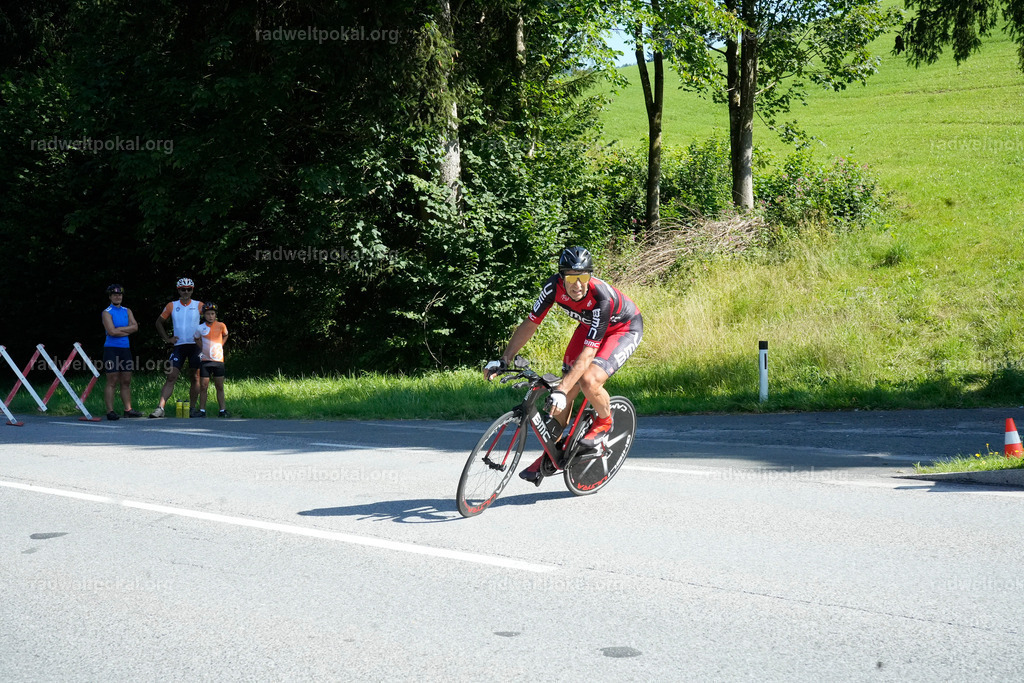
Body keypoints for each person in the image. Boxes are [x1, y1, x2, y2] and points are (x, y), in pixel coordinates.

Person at [484, 246, 643, 485]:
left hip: (623, 329)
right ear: (561, 277)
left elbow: (589, 353)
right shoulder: (553, 288)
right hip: (590, 327)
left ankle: (604, 421)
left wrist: (560, 388)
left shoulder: (601, 297)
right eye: (571, 277)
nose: (577, 284)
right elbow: (530, 323)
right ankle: (552, 452)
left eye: (583, 277)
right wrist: (504, 358)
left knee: (588, 380)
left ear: (590, 277)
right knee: (565, 393)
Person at [149, 278, 204, 418]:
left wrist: (206, 339)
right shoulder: (171, 305)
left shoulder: (199, 305)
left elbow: (211, 321)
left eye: (189, 289)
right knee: (171, 376)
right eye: (183, 289)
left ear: (192, 290)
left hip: (195, 346)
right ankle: (160, 408)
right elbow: (159, 322)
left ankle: (192, 408)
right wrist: (167, 339)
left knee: (195, 377)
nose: (186, 292)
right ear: (178, 290)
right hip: (179, 346)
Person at [100, 284, 142, 420]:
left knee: (126, 380)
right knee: (112, 380)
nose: (118, 296)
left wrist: (120, 330)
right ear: (110, 296)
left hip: (125, 349)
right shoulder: (107, 312)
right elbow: (111, 331)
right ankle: (110, 411)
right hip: (111, 349)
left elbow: (135, 327)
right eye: (115, 294)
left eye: (120, 294)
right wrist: (127, 329)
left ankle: (128, 410)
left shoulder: (127, 310)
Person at [193, 301, 230, 418]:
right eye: (208, 314)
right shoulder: (200, 327)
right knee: (204, 386)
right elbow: (196, 338)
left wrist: (220, 345)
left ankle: (222, 410)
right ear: (204, 315)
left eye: (213, 314)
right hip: (205, 361)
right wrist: (202, 348)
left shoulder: (221, 325)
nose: (211, 316)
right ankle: (202, 411)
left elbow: (226, 335)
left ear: (215, 315)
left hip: (218, 360)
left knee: (219, 386)